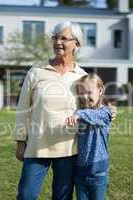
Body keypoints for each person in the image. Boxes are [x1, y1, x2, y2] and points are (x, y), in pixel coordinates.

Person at [13, 21, 87, 200]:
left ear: (76, 43)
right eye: (55, 37)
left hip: (69, 147)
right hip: (37, 146)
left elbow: (89, 110)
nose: (58, 42)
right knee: (26, 195)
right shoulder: (36, 71)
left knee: (62, 197)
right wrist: (20, 142)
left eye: (64, 38)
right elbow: (23, 108)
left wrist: (107, 112)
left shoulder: (82, 76)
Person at [66, 74, 113, 200]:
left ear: (100, 90)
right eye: (81, 93)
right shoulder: (81, 112)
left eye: (89, 92)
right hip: (80, 171)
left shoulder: (106, 112)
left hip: (98, 172)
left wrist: (78, 114)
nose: (85, 97)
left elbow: (95, 116)